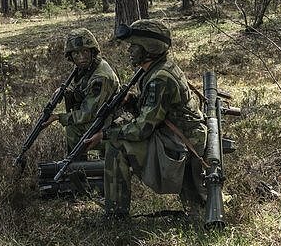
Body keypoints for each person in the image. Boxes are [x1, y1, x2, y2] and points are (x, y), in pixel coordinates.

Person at [80, 19, 207, 221]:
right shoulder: (158, 68)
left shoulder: (159, 77)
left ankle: (115, 215)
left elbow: (142, 129)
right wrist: (132, 100)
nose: (129, 50)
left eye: (134, 46)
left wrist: (106, 134)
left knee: (117, 144)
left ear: (149, 48)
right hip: (179, 135)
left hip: (180, 143)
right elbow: (158, 108)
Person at [44, 29, 120, 155]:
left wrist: (58, 117)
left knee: (72, 129)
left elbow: (88, 114)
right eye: (76, 54)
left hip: (112, 122)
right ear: (71, 56)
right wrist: (64, 91)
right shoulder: (86, 67)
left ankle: (77, 168)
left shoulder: (100, 77)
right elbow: (80, 88)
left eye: (85, 51)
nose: (81, 57)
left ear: (92, 51)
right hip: (103, 117)